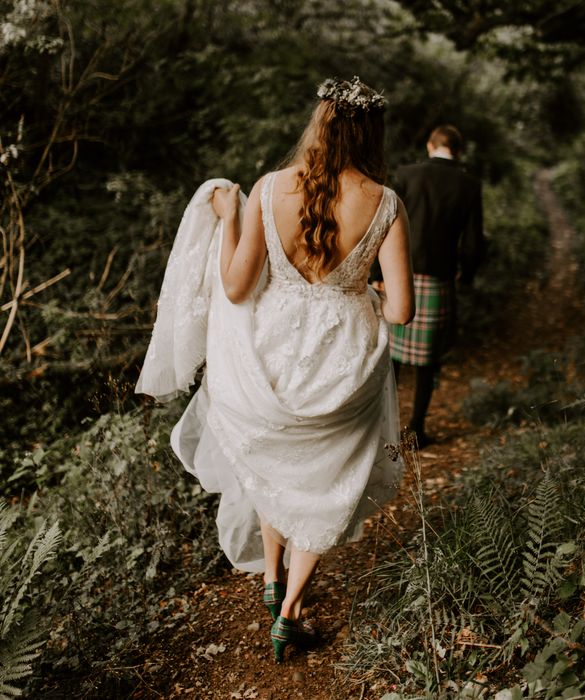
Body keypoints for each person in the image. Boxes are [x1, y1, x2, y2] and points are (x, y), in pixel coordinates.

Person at [135, 76, 414, 663]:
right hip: (343, 359)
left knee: (271, 457)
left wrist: (229, 216)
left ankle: (270, 577)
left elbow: (236, 288)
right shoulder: (386, 203)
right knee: (326, 482)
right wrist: (361, 284)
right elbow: (404, 310)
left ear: (319, 124)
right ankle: (289, 611)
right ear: (372, 134)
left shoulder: (268, 189)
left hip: (268, 350)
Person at [386, 125, 484, 446]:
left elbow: (383, 226)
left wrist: (376, 271)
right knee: (428, 360)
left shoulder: (406, 174)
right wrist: (465, 275)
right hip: (439, 278)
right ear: (459, 150)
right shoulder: (469, 185)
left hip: (399, 272)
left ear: (431, 145)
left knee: (392, 359)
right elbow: (472, 242)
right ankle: (416, 429)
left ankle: (385, 427)